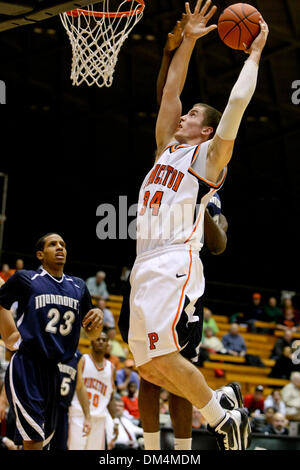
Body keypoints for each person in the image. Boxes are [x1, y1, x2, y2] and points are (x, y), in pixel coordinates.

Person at [128, 0, 268, 451]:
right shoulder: (165, 149)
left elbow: (236, 106)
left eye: (192, 116)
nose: (182, 115)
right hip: (143, 262)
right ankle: (222, 406)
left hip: (175, 260)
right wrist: (187, 41)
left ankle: (220, 415)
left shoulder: (207, 159)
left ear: (205, 131)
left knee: (165, 355)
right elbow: (171, 91)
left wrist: (254, 55)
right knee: (146, 365)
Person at [0, 232, 103, 450]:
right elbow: (1, 303)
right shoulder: (26, 279)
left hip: (55, 371)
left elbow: (92, 334)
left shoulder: (78, 287)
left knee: (44, 443)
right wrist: (10, 335)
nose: (60, 248)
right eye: (53, 244)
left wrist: (98, 321)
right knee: (35, 440)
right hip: (27, 366)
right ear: (40, 254)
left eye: (63, 244)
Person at [68, 331, 116, 450]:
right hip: (78, 415)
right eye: (98, 339)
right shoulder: (82, 360)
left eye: (104, 340)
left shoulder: (111, 368)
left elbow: (110, 398)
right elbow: (76, 387)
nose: (100, 341)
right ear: (91, 342)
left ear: (107, 344)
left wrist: (115, 421)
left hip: (99, 420)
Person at [50, 350, 91, 450]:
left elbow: (80, 386)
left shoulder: (77, 356)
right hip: (45, 407)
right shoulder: (48, 345)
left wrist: (87, 416)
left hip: (63, 411)